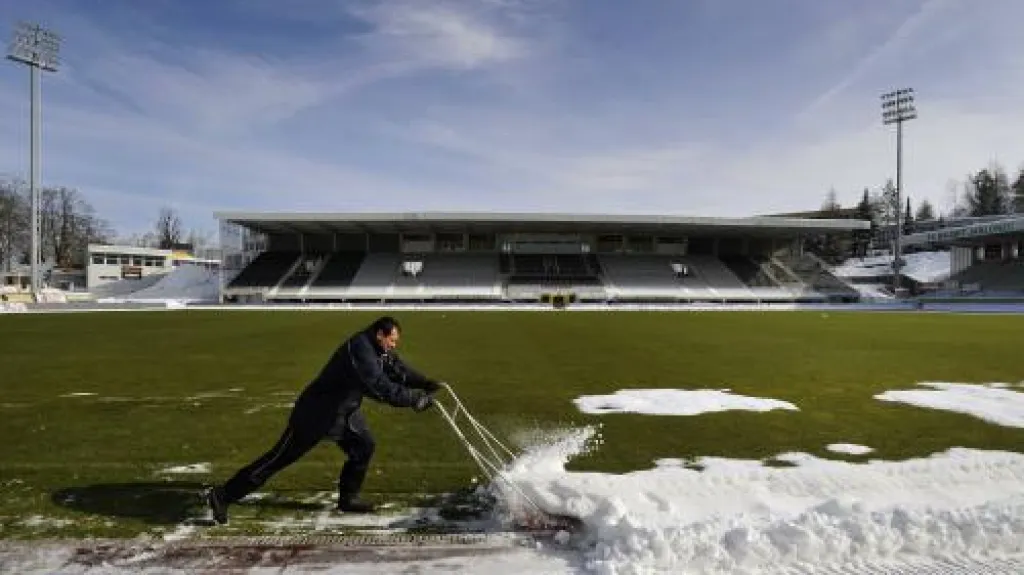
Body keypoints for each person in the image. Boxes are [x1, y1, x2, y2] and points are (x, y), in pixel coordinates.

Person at [206, 316, 442, 523]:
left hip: (344, 412)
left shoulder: (378, 349)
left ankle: (348, 498)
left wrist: (424, 383)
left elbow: (397, 369)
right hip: (315, 414)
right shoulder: (359, 351)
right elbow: (379, 387)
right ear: (380, 334)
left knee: (364, 446)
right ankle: (223, 495)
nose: (393, 346)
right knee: (277, 459)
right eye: (392, 340)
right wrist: (414, 400)